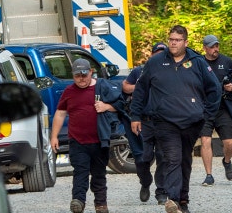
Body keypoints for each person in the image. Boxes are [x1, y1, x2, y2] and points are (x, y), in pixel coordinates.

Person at [130, 25, 221, 213]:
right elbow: (140, 90)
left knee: (184, 160)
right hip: (164, 121)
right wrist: (136, 115)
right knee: (172, 158)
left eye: (177, 40)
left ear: (186, 42)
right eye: (171, 39)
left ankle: (183, 200)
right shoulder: (155, 63)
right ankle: (173, 200)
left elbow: (214, 89)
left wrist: (207, 114)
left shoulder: (197, 62)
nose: (173, 42)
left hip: (192, 121)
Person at [51, 58, 125, 213]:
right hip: (77, 141)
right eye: (78, 75)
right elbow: (60, 113)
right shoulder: (69, 92)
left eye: (84, 75)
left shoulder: (102, 87)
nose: (81, 79)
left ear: (91, 72)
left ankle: (101, 204)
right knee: (80, 172)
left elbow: (121, 104)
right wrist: (54, 136)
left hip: (100, 140)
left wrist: (106, 106)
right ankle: (78, 201)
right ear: (73, 75)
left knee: (99, 173)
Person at [122, 42, 169, 205]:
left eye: (163, 53)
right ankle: (145, 182)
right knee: (142, 157)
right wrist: (140, 86)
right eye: (157, 53)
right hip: (144, 121)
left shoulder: (171, 71)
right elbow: (125, 86)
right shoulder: (140, 71)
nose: (160, 56)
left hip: (164, 121)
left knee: (163, 157)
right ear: (152, 55)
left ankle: (161, 191)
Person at [198, 34, 232, 186]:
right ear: (205, 48)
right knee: (205, 140)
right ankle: (209, 175)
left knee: (230, 143)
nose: (215, 49)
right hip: (204, 108)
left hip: (223, 107)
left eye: (217, 46)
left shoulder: (226, 61)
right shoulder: (198, 62)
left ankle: (227, 161)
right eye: (212, 47)